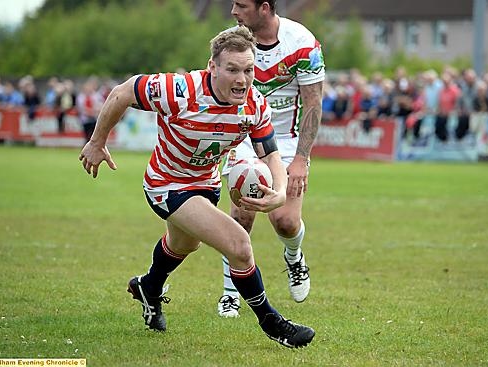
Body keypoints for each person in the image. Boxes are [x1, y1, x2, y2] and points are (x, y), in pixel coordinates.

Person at [78, 26, 315, 349]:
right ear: (212, 67)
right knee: (239, 245)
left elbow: (271, 155)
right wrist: (96, 141)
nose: (242, 79)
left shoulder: (254, 105)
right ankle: (272, 322)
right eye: (232, 70)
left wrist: (279, 190)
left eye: (248, 70)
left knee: (184, 245)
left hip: (206, 183)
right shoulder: (179, 89)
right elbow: (123, 92)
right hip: (166, 184)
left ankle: (149, 286)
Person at [218, 0, 325, 318]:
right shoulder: (231, 43)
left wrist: (302, 159)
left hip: (288, 143)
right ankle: (230, 293)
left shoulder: (303, 43)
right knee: (241, 216)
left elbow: (314, 103)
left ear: (264, 8)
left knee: (286, 221)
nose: (233, 11)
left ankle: (294, 258)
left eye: (241, 4)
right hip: (244, 138)